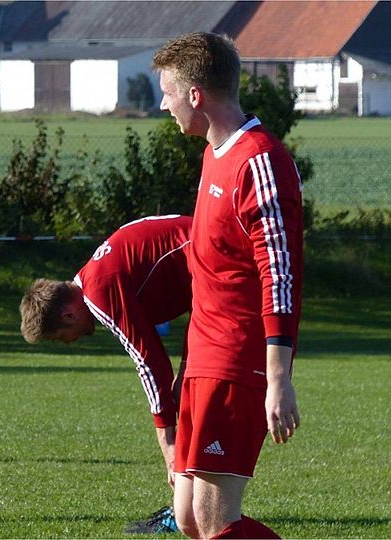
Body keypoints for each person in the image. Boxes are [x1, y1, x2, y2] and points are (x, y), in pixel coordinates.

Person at [152, 33, 303, 539]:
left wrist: (278, 376)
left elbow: (280, 273)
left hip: (237, 362)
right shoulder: (214, 154)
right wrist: (188, 366)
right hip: (204, 359)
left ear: (195, 94)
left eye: (168, 92)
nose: (163, 103)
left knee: (218, 522)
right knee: (191, 519)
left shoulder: (259, 160)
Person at [20, 214, 192, 535]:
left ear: (68, 315)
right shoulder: (94, 277)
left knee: (204, 396)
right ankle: (187, 505)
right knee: (188, 393)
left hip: (226, 263)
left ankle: (196, 509)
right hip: (215, 266)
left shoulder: (99, 293)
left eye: (61, 337)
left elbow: (148, 361)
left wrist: (166, 445)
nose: (71, 342)